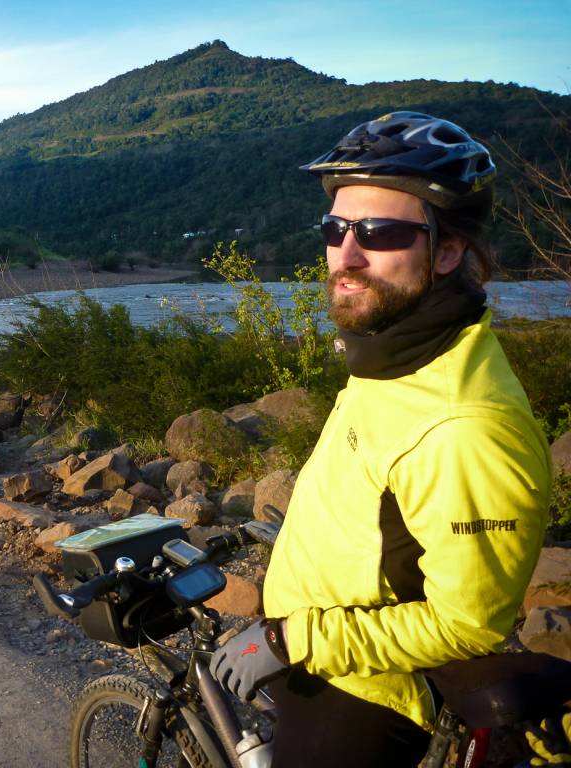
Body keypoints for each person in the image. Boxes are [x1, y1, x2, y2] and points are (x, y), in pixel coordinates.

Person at [209, 112, 553, 767]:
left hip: (364, 697)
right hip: (322, 653)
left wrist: (290, 641)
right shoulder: (398, 356)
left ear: (447, 249)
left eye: (381, 232)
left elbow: (465, 624)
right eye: (335, 230)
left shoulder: (466, 425)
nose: (347, 254)